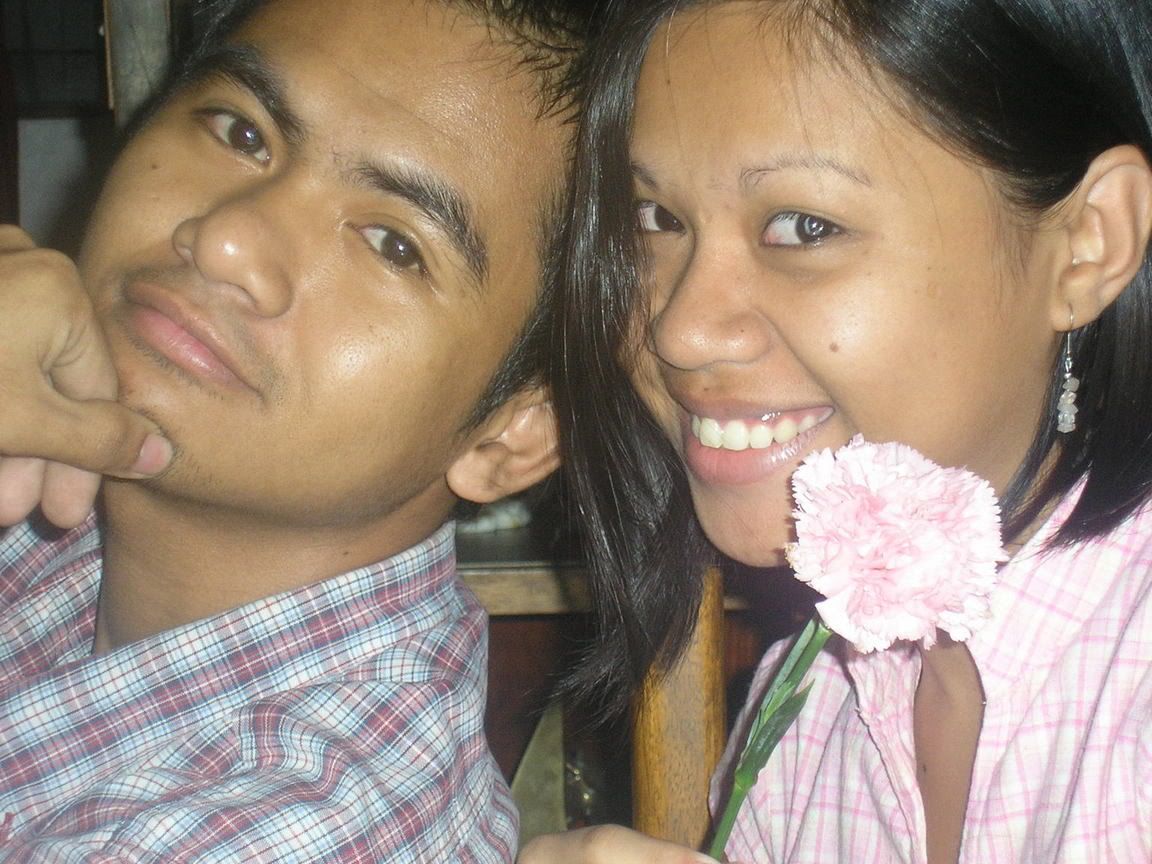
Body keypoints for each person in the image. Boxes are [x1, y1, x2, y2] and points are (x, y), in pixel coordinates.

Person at [521, 0, 1152, 862]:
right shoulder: (811, 707)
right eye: (655, 220)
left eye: (804, 228)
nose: (680, 331)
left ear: (1087, 244)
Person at [0, 0, 593, 859]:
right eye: (241, 132)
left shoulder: (296, 826)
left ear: (512, 434)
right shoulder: (54, 504)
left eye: (391, 243)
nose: (226, 241)